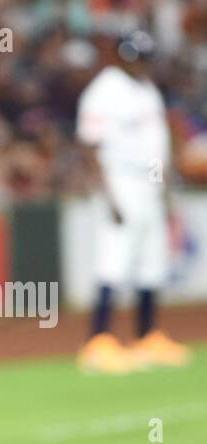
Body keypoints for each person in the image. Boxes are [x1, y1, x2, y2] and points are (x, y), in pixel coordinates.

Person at [76, 30, 191, 374]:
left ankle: (147, 337)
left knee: (151, 261)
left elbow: (159, 144)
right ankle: (99, 340)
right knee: (114, 259)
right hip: (120, 180)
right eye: (137, 56)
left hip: (151, 183)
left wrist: (167, 196)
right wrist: (109, 196)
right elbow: (90, 146)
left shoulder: (146, 88)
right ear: (123, 56)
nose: (141, 62)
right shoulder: (104, 90)